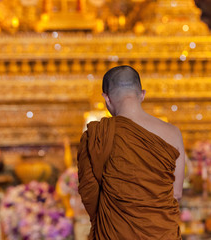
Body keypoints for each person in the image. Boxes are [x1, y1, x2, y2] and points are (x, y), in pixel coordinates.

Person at [77, 65, 185, 240]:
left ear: (107, 99)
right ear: (142, 94)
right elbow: (176, 194)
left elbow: (90, 194)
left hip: (114, 234)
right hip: (162, 233)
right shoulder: (173, 133)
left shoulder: (96, 136)